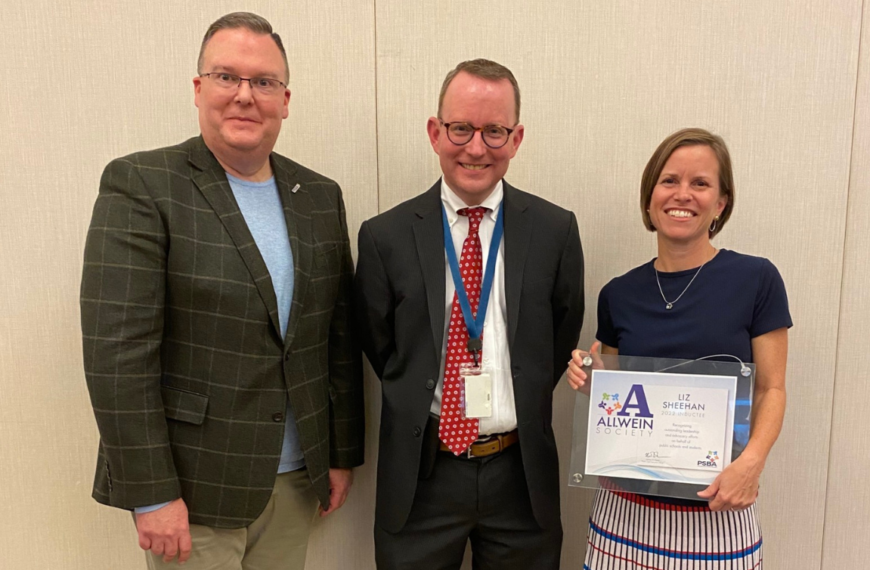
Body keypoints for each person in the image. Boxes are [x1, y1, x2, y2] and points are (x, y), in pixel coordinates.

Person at [80, 12, 364, 569]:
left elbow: (338, 340)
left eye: (263, 82)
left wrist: (340, 452)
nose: (244, 96)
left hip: (294, 480)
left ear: (285, 99)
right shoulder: (142, 185)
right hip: (192, 490)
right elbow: (118, 358)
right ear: (198, 88)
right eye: (226, 77)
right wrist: (152, 492)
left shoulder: (319, 196)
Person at [354, 59, 584, 570]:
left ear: (517, 137)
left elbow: (556, 339)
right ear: (436, 132)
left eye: (494, 131)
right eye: (461, 128)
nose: (476, 147)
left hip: (519, 476)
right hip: (422, 476)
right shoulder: (384, 237)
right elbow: (382, 347)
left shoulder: (555, 232)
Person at [567, 128, 790, 569]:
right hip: (624, 521)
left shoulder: (756, 279)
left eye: (700, 183)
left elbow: (772, 389)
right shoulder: (618, 293)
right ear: (650, 197)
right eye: (669, 181)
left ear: (721, 203)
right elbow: (614, 397)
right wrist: (589, 380)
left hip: (717, 515)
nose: (682, 195)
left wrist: (753, 463)